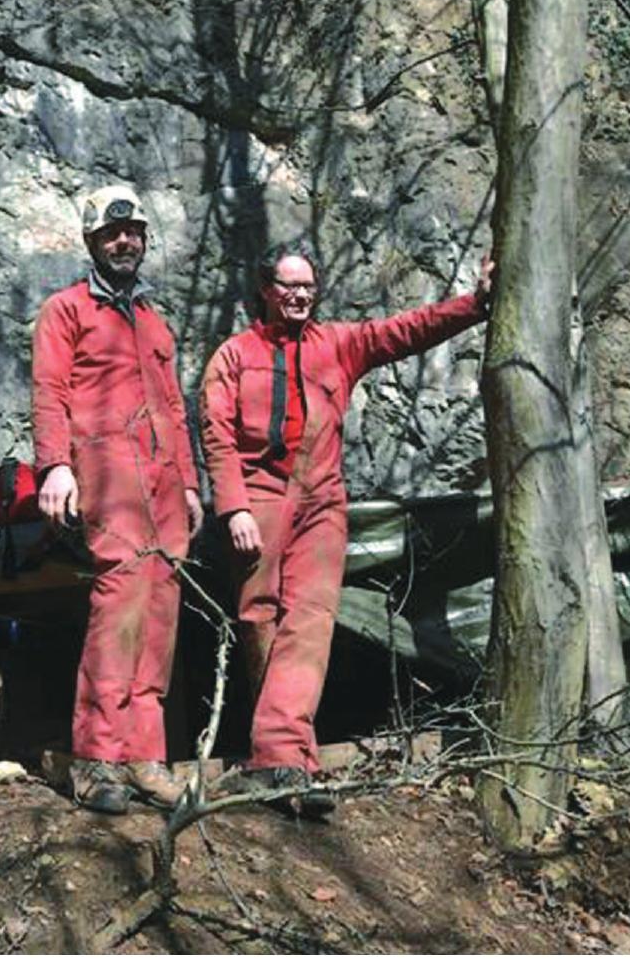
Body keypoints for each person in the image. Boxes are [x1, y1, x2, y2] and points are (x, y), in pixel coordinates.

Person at [200, 243, 491, 815]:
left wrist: (476, 303)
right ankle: (284, 757)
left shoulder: (339, 344)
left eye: (308, 286)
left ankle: (280, 756)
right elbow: (217, 433)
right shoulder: (233, 355)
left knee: (309, 622)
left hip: (321, 504)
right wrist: (233, 506)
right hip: (258, 498)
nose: (300, 295)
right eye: (289, 286)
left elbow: (409, 330)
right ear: (265, 289)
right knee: (261, 619)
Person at [32, 184, 203, 814]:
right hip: (107, 472)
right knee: (119, 609)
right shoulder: (67, 310)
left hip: (162, 482)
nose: (124, 241)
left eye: (132, 232)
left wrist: (188, 482)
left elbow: (175, 411)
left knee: (159, 616)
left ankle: (144, 759)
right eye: (111, 234)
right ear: (91, 242)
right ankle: (96, 758)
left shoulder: (156, 321)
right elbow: (50, 391)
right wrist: (54, 465)